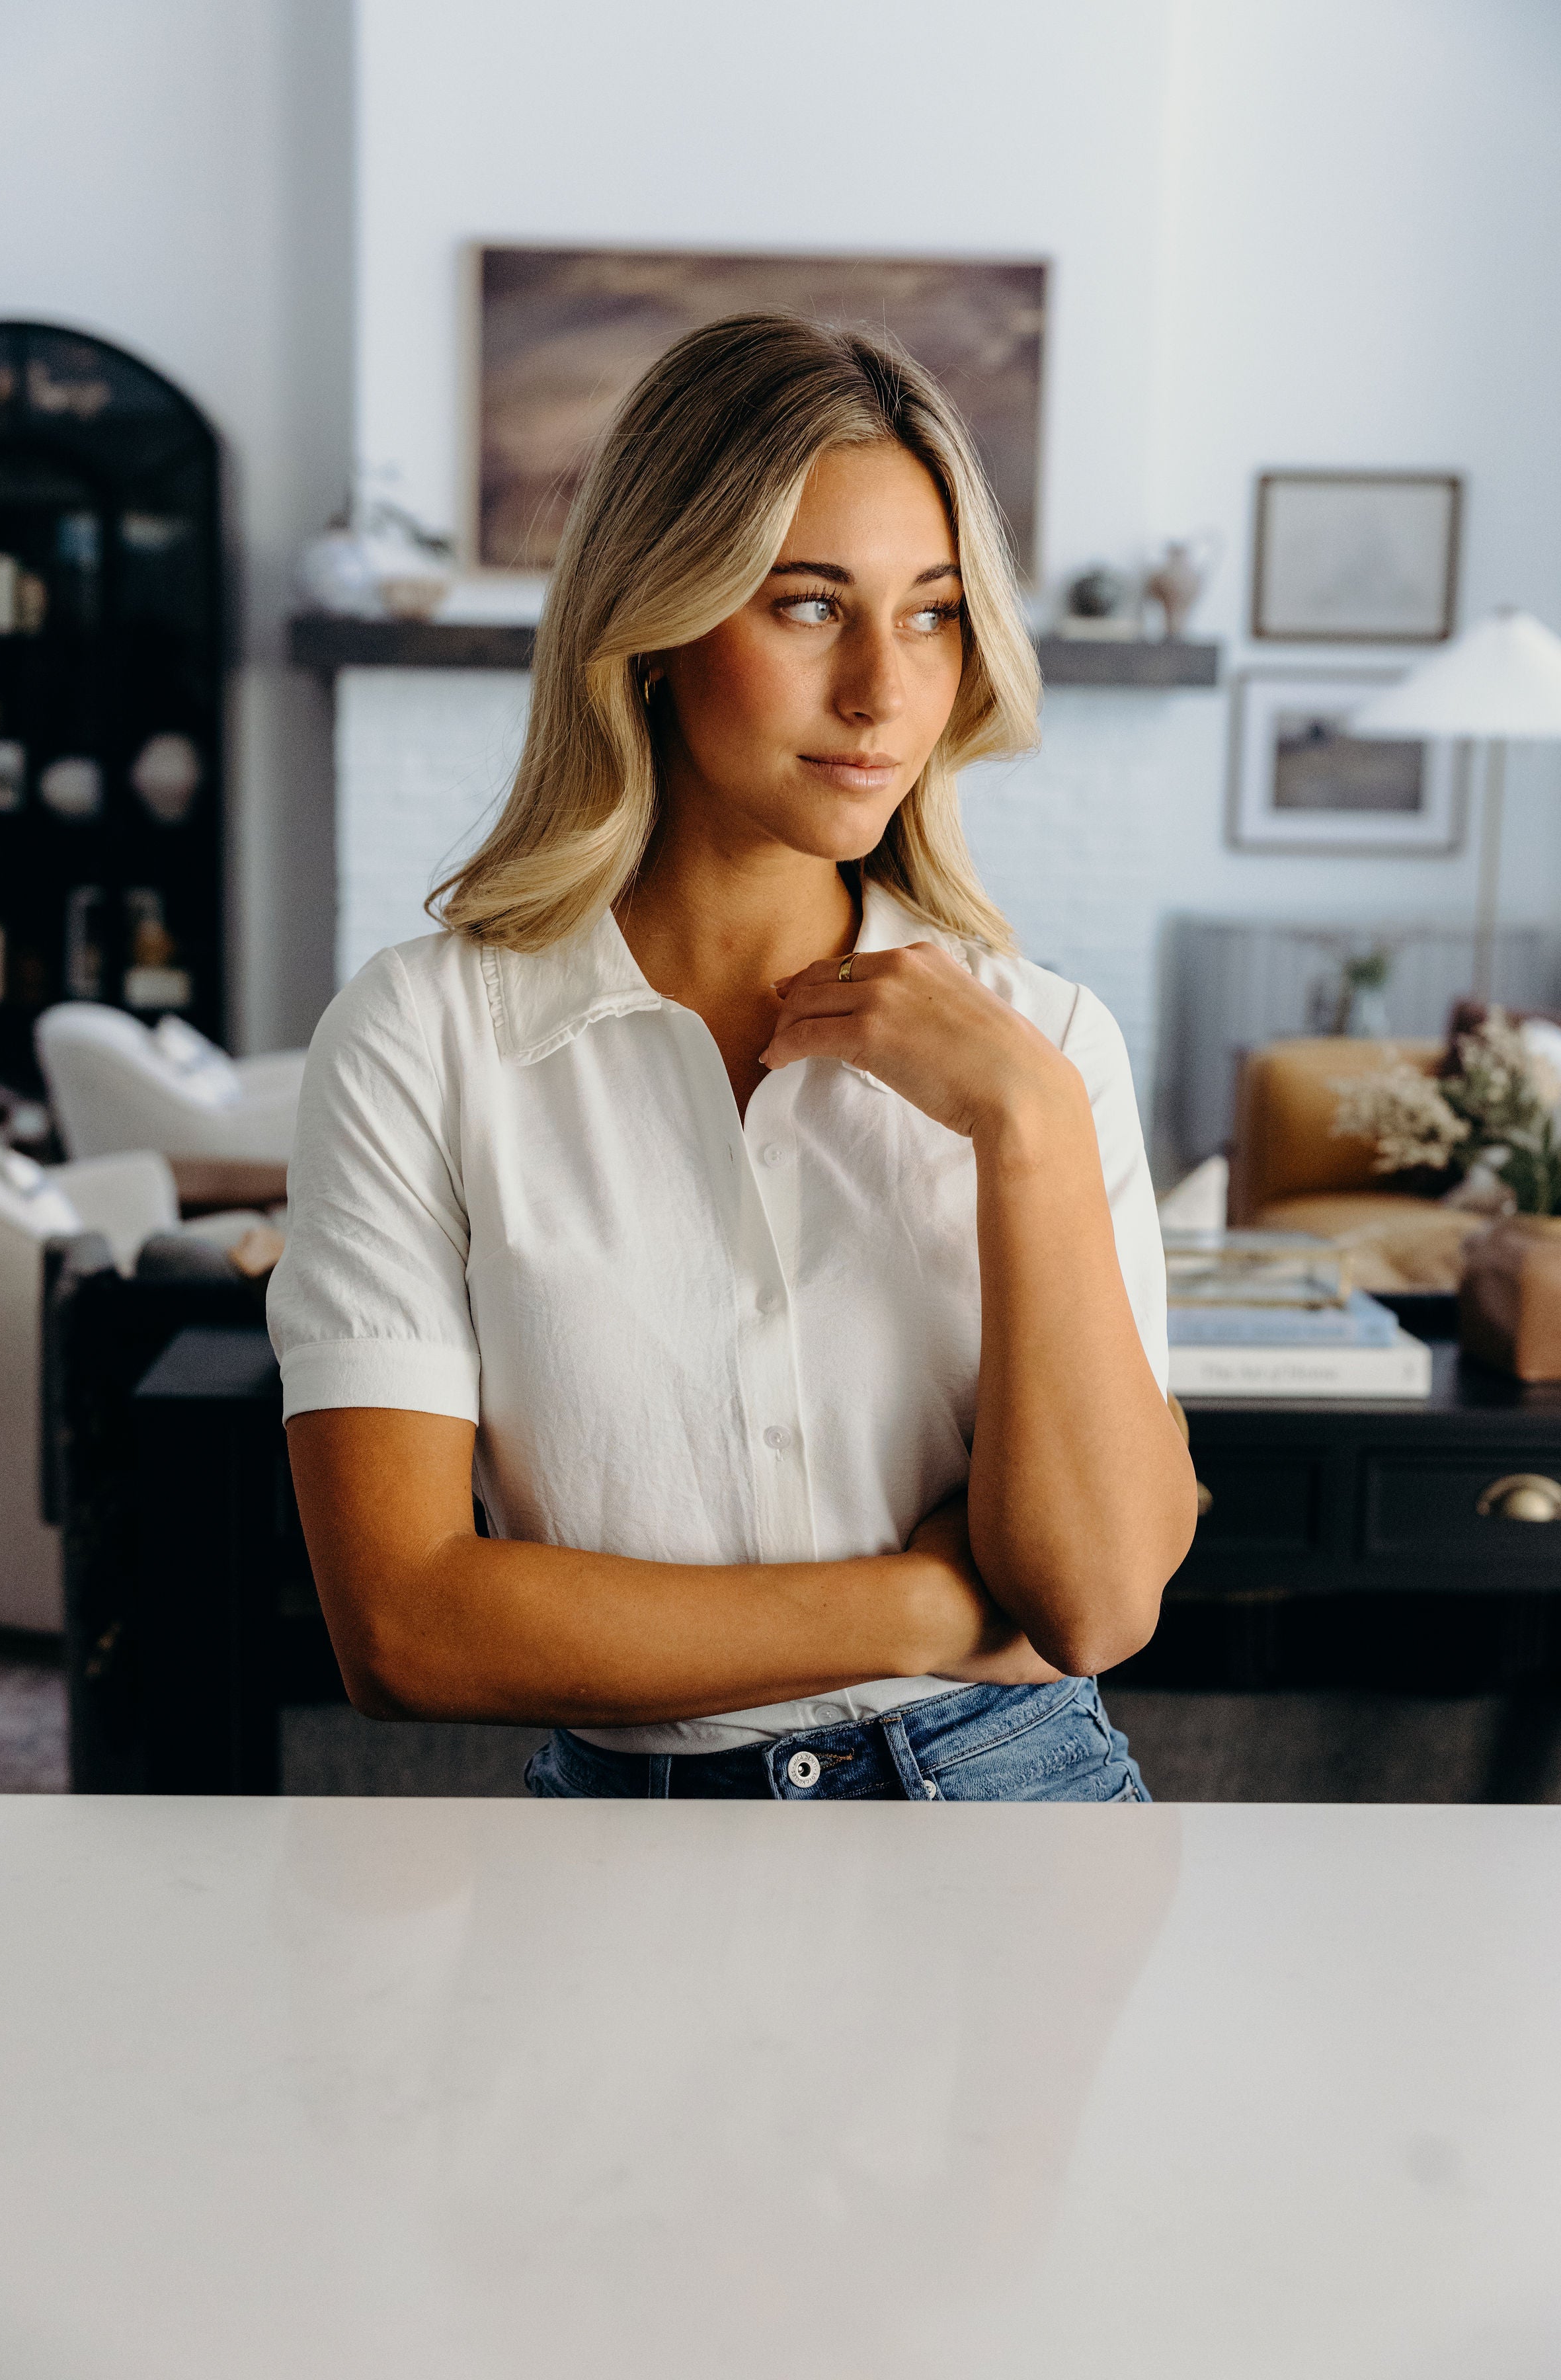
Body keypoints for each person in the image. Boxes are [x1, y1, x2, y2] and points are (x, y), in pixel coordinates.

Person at [268, 313, 1197, 1802]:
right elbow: (405, 1630)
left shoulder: (1047, 1045)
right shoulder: (424, 1038)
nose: (888, 695)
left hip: (1017, 1801)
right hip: (623, 1839)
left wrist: (1027, 1124)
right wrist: (926, 1601)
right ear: (658, 620)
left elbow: (1092, 1607)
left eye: (937, 612)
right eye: (810, 607)